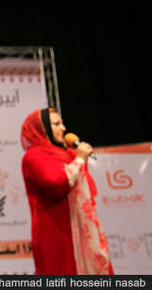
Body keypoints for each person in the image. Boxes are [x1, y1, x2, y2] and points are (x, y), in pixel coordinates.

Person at [20, 107, 113, 275]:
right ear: (42, 129)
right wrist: (79, 160)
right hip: (57, 233)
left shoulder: (69, 154)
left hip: (83, 230)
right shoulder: (33, 156)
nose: (63, 128)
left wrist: (77, 158)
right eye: (56, 124)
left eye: (62, 123)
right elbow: (55, 183)